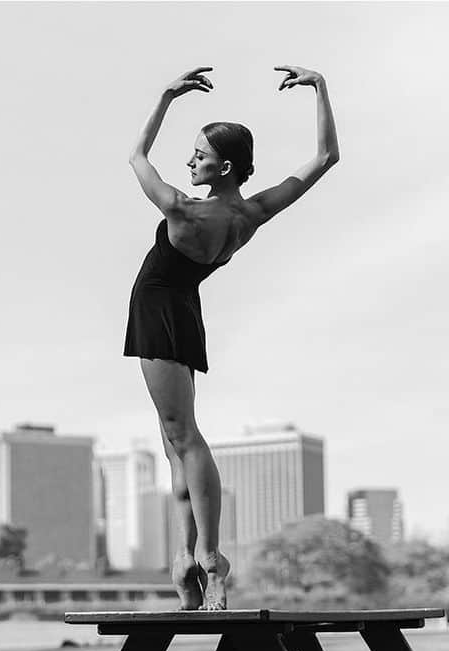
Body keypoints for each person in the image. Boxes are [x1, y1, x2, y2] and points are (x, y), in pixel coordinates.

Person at [124, 64, 340, 610]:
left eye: (198, 155)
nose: (190, 161)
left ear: (223, 167)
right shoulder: (252, 212)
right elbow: (324, 159)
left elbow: (135, 157)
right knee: (174, 444)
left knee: (185, 439)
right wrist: (321, 88)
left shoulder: (181, 209)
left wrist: (166, 95)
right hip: (184, 310)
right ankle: (185, 560)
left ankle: (210, 560)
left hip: (158, 310)